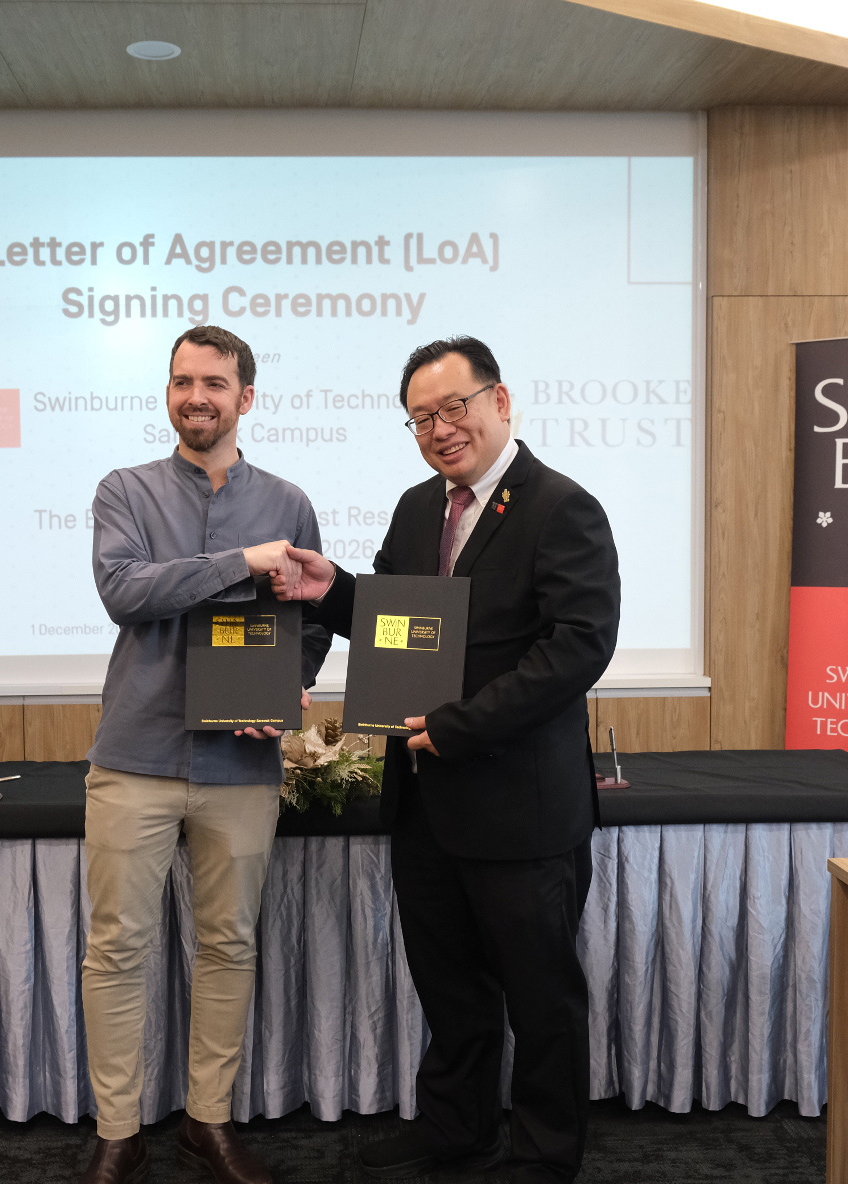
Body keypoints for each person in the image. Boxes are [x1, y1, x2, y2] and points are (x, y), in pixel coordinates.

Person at [273, 336, 620, 1183]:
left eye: (454, 406)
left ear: (502, 402)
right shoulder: (417, 507)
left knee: (541, 1000)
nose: (439, 428)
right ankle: (458, 1128)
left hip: (521, 807)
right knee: (451, 990)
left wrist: (462, 725)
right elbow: (403, 624)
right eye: (422, 416)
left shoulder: (560, 506)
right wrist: (337, 590)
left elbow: (579, 648)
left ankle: (543, 1156)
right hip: (426, 806)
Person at [81, 324, 329, 1184]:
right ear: (170, 393)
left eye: (215, 383)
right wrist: (239, 562)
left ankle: (207, 1122)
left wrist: (287, 689)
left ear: (245, 398)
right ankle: (119, 1129)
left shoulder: (290, 502)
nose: (198, 396)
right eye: (183, 381)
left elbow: (310, 622)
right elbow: (125, 592)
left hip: (241, 767)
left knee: (228, 945)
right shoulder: (125, 490)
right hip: (136, 756)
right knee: (117, 948)